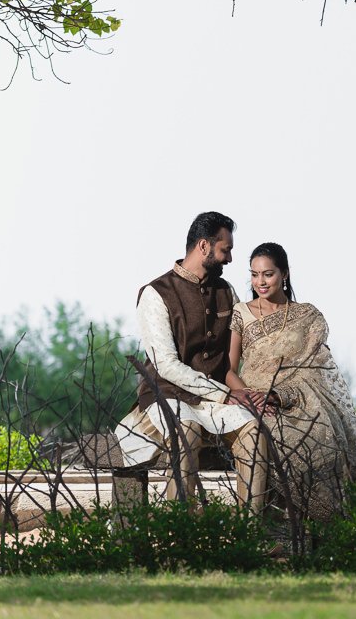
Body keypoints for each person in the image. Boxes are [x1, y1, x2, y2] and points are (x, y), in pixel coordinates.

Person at [116, 211, 270, 510]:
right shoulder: (155, 294)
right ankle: (180, 534)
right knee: (185, 430)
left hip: (215, 403)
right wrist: (226, 395)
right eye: (226, 250)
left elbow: (240, 349)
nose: (229, 259)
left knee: (254, 431)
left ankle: (248, 537)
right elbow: (166, 366)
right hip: (168, 396)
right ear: (204, 246)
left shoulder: (226, 292)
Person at [227, 242, 356, 520]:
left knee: (321, 437)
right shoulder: (241, 312)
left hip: (298, 400)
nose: (260, 282)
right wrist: (250, 397)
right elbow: (228, 369)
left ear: (284, 274)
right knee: (268, 435)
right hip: (254, 403)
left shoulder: (308, 315)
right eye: (254, 275)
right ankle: (273, 527)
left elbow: (316, 369)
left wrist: (280, 395)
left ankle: (324, 525)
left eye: (268, 274)